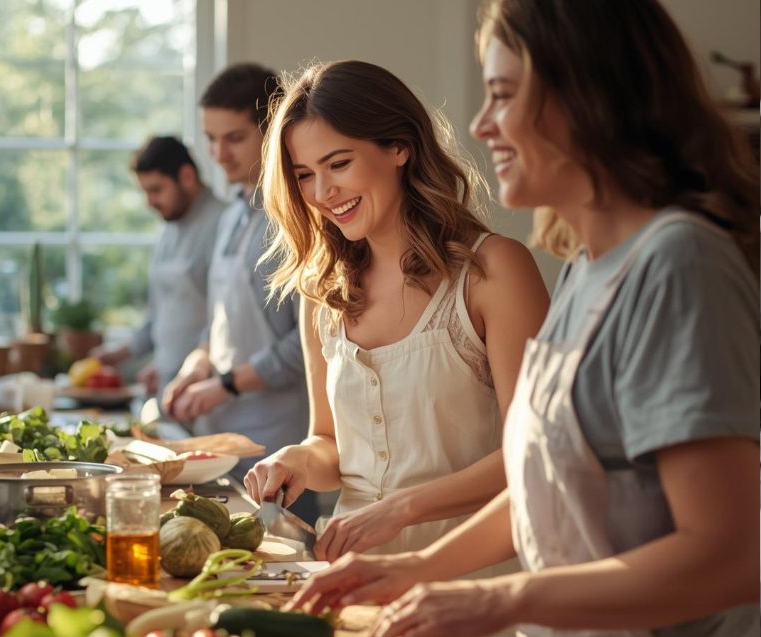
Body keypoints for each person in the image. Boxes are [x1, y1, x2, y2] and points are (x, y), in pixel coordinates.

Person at [285, 2, 760, 636]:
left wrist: (498, 600)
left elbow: (730, 557)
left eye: (503, 95)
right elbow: (549, 488)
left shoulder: (678, 264)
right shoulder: (586, 269)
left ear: (589, 96)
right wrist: (416, 568)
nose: (482, 125)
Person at [244, 59, 549, 563]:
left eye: (338, 164)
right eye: (304, 175)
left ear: (399, 147)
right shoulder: (322, 292)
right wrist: (297, 459)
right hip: (349, 574)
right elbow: (329, 444)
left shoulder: (493, 270)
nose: (322, 194)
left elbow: (534, 454)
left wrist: (402, 509)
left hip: (472, 574)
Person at [161, 64, 317, 522]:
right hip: (219, 440)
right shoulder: (232, 215)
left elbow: (303, 348)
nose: (217, 154)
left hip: (275, 448)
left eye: (233, 138)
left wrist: (226, 385)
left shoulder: (298, 220)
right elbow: (221, 317)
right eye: (211, 138)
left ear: (272, 131)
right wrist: (199, 363)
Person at [93, 136, 224, 402]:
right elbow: (165, 314)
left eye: (156, 190)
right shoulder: (168, 229)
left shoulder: (223, 223)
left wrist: (183, 369)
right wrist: (126, 353)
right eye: (145, 192)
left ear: (186, 176)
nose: (149, 202)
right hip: (170, 387)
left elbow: (223, 319)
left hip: (205, 391)